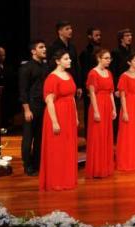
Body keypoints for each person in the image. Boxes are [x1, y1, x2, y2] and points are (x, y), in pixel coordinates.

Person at [39, 50, 79, 191]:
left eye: (69, 58)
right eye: (66, 58)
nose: (70, 61)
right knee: (57, 149)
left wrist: (76, 115)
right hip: (57, 114)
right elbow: (49, 102)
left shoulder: (68, 75)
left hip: (69, 115)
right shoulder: (52, 78)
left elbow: (72, 97)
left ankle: (67, 179)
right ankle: (56, 180)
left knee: (67, 147)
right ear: (57, 61)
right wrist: (55, 122)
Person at [85, 48, 116, 178]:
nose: (109, 61)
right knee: (98, 137)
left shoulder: (109, 73)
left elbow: (111, 93)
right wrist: (96, 111)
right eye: (106, 58)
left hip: (107, 105)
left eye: (110, 58)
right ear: (99, 58)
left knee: (106, 136)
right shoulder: (93, 73)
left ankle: (106, 167)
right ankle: (97, 169)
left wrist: (114, 108)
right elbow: (92, 93)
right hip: (98, 105)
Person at [18, 40, 47, 176]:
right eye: (41, 47)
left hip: (43, 105)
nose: (44, 49)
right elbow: (23, 91)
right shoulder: (26, 68)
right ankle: (27, 165)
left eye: (44, 47)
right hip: (32, 105)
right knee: (28, 137)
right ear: (33, 51)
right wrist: (27, 110)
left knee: (40, 136)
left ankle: (37, 163)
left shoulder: (45, 67)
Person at [48, 20, 82, 99]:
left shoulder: (72, 47)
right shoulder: (53, 47)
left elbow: (76, 65)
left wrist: (79, 85)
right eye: (67, 29)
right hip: (60, 82)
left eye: (70, 28)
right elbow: (51, 67)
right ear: (60, 31)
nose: (70, 30)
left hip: (72, 81)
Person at [111, 28, 133, 140]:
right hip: (120, 86)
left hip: (130, 85)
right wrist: (116, 88)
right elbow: (114, 71)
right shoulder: (115, 52)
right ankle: (117, 137)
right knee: (120, 110)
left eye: (130, 35)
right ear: (121, 39)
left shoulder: (131, 52)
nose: (130, 37)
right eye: (127, 36)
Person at [79, 27, 102, 132]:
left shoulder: (101, 50)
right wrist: (87, 88)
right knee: (90, 111)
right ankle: (89, 134)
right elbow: (84, 72)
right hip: (90, 87)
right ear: (89, 37)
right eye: (96, 35)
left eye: (99, 35)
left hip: (100, 87)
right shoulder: (85, 53)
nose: (99, 37)